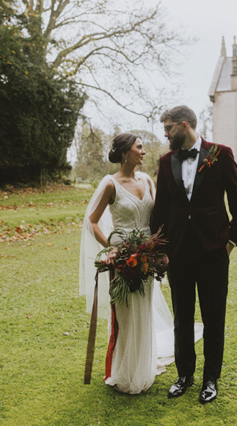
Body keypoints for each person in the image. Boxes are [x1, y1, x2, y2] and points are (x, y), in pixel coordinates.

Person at [150, 105, 237, 404]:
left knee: (214, 316)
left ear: (183, 125)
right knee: (182, 317)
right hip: (179, 252)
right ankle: (184, 376)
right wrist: (159, 250)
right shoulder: (166, 162)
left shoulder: (221, 154)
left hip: (214, 252)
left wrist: (230, 242)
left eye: (168, 128)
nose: (165, 134)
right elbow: (161, 210)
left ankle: (210, 379)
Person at [79, 133, 176, 394]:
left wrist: (161, 249)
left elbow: (158, 218)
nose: (143, 152)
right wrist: (110, 247)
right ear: (125, 153)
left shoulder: (147, 180)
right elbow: (92, 221)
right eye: (139, 147)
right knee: (126, 314)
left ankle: (143, 367)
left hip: (148, 257)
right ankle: (124, 372)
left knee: (143, 312)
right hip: (123, 258)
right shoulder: (111, 184)